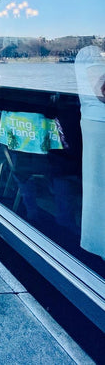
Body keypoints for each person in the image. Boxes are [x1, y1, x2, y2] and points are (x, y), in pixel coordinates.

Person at [75, 44, 105, 258]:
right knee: (99, 185)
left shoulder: (86, 54)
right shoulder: (91, 53)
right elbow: (101, 90)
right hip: (100, 124)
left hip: (93, 121)